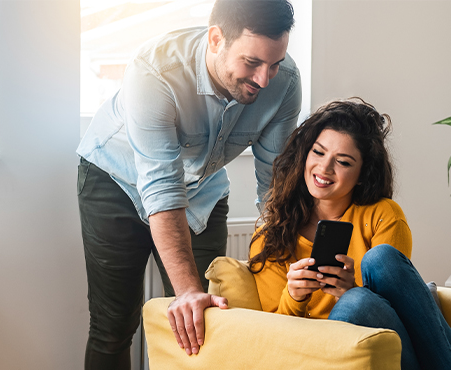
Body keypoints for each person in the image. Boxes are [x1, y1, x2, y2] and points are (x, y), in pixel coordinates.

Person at [76, 0, 301, 368]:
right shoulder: (156, 71)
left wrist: (292, 263)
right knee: (114, 325)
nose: (264, 79)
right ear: (216, 39)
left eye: (274, 64)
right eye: (252, 63)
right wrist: (188, 292)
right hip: (114, 180)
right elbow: (162, 189)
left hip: (202, 189)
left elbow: (276, 186)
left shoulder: (285, 82)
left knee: (205, 324)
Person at [248, 98, 451, 370]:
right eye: (318, 153)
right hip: (331, 354)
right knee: (355, 304)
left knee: (379, 262)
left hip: (403, 351)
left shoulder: (383, 215)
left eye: (342, 162)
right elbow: (272, 336)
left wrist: (350, 289)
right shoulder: (270, 236)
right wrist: (294, 296)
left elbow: (400, 312)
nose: (324, 168)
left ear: (362, 174)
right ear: (304, 154)